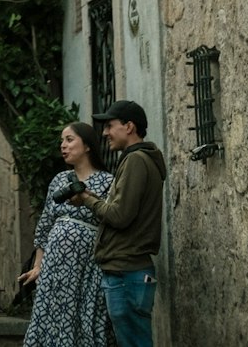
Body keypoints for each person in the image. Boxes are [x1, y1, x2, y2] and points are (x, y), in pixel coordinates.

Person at [69, 99, 166, 347]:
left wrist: (88, 200)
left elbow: (120, 216)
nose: (104, 133)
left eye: (110, 126)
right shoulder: (139, 159)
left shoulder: (136, 160)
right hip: (129, 272)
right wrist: (92, 199)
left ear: (129, 126)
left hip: (127, 272)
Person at [18, 122, 113, 347]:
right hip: (54, 269)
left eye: (69, 140)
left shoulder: (107, 182)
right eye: (62, 141)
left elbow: (111, 222)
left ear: (87, 145)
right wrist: (38, 266)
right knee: (50, 318)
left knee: (84, 319)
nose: (63, 146)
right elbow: (45, 226)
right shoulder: (59, 180)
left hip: (87, 268)